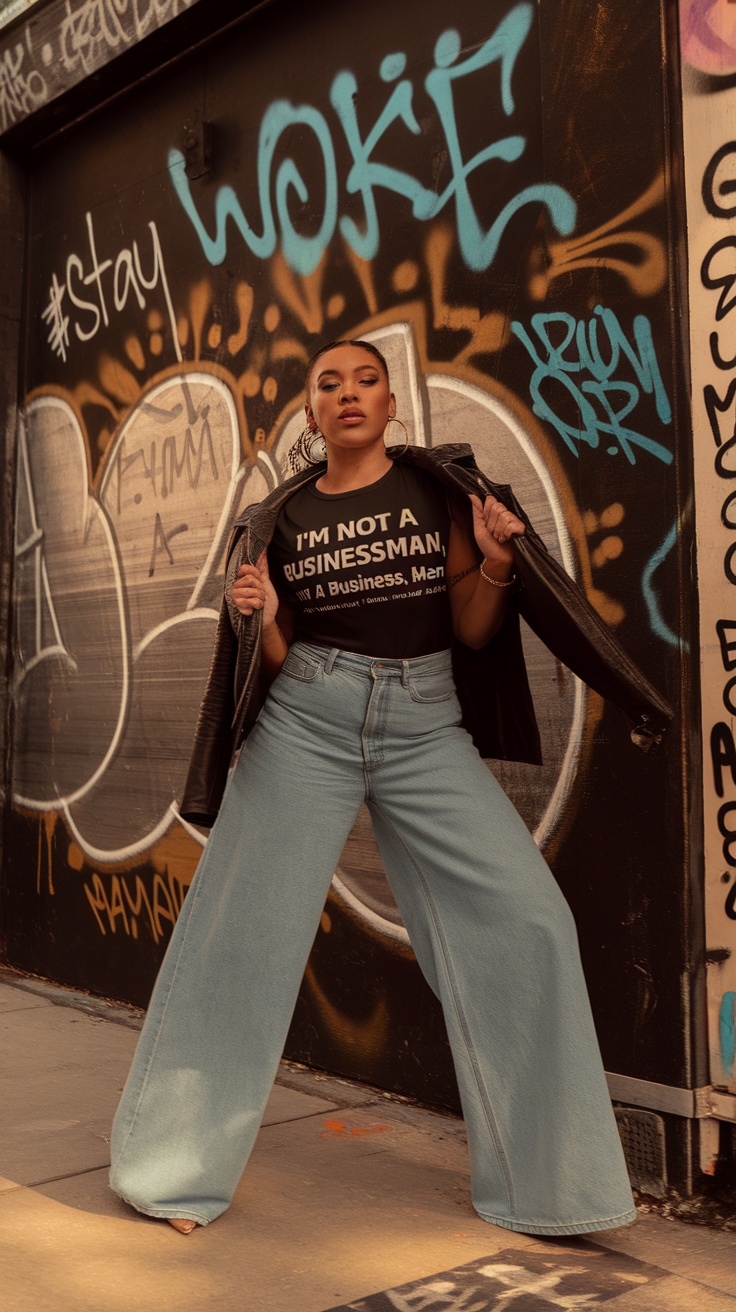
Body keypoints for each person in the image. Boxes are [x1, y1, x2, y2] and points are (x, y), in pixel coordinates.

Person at [109, 338, 648, 1237]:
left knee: (530, 920)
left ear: (391, 404)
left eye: (366, 380)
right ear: (311, 414)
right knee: (237, 936)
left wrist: (499, 563)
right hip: (306, 722)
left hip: (425, 724)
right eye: (330, 384)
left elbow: (473, 628)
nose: (349, 394)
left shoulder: (438, 492)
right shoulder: (276, 518)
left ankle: (551, 1190)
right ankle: (170, 1175)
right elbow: (271, 662)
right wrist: (265, 621)